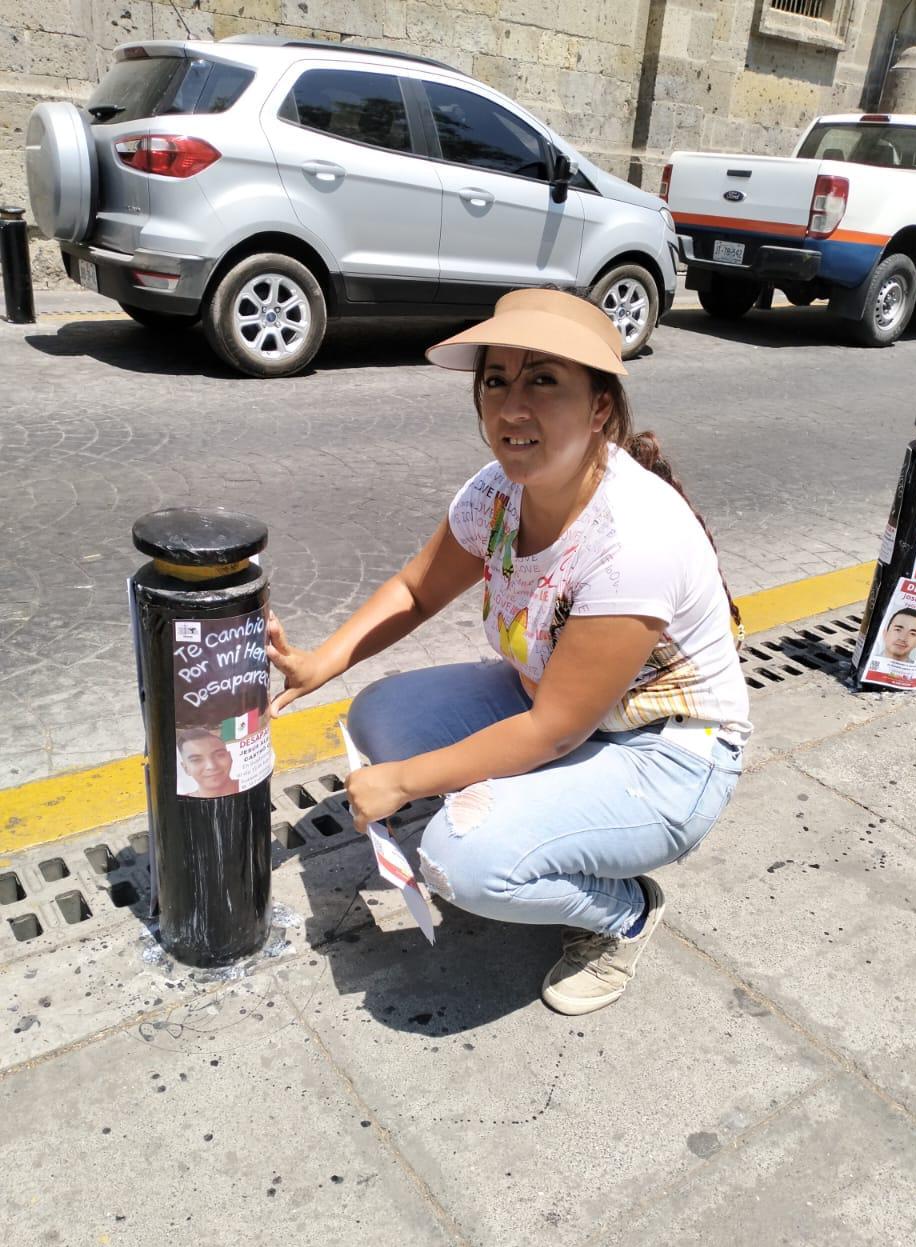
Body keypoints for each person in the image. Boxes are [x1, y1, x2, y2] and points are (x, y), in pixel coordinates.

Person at [268, 289, 750, 1016]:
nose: (511, 406)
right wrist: (319, 662)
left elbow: (552, 730)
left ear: (599, 409)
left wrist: (403, 783)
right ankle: (525, 827)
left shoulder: (634, 538)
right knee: (381, 715)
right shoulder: (498, 493)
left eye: (544, 380)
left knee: (461, 859)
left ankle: (626, 913)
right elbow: (417, 590)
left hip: (669, 756)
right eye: (496, 380)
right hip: (557, 705)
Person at [177, 727, 239, 798]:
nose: (211, 766)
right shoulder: (182, 801)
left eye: (219, 755)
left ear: (230, 757)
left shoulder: (246, 785)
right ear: (186, 769)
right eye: (196, 760)